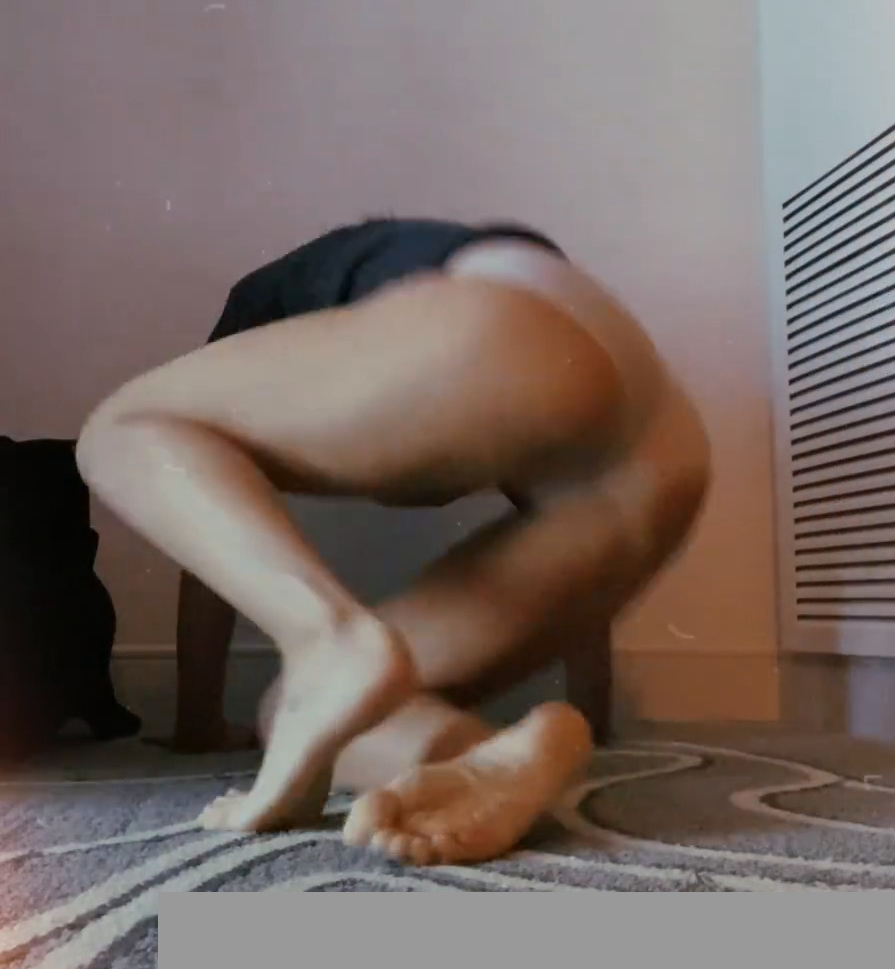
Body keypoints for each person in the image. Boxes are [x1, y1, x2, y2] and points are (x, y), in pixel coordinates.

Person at [76, 218, 711, 865]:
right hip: (662, 457)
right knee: (313, 713)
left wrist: (199, 722)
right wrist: (591, 714)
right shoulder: (428, 290)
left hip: (520, 324)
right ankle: (486, 761)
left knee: (123, 428)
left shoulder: (271, 303)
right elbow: (571, 564)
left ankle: (325, 641)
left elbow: (204, 537)